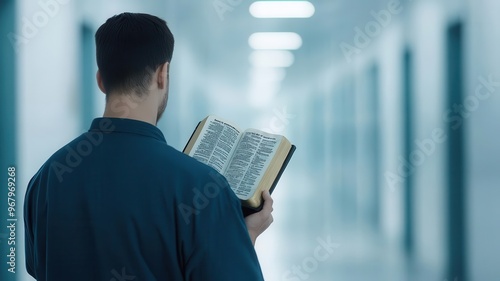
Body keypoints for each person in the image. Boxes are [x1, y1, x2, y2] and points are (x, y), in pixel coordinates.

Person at [24, 12, 273, 281]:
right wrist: (242, 238)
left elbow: (40, 268)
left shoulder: (47, 178)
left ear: (101, 80)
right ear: (162, 74)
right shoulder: (203, 188)